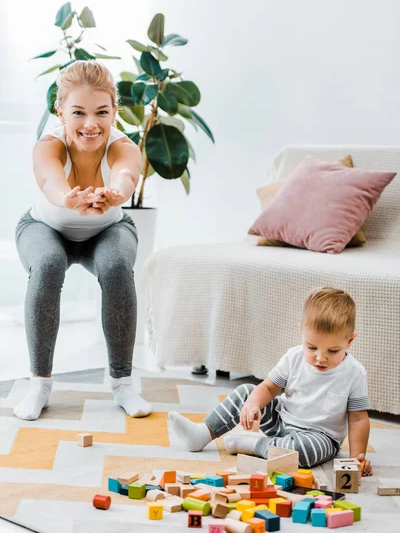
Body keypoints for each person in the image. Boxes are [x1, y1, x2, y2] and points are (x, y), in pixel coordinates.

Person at [14, 60, 152, 421]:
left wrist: (115, 194)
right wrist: (68, 198)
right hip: (45, 227)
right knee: (47, 265)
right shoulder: (48, 145)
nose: (91, 124)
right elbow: (49, 180)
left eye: (102, 112)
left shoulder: (124, 146)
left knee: (117, 265)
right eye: (78, 112)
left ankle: (123, 384)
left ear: (114, 111)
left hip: (108, 229)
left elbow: (126, 174)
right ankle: (39, 385)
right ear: (60, 111)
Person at [169, 287, 373, 475]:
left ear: (350, 341)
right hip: (281, 420)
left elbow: (358, 419)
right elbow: (268, 387)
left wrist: (356, 458)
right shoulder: (293, 357)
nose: (321, 357)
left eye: (333, 351)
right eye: (312, 347)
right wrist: (253, 404)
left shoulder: (354, 373)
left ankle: (253, 445)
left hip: (320, 438)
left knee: (306, 453)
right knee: (247, 391)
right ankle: (202, 433)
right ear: (301, 331)